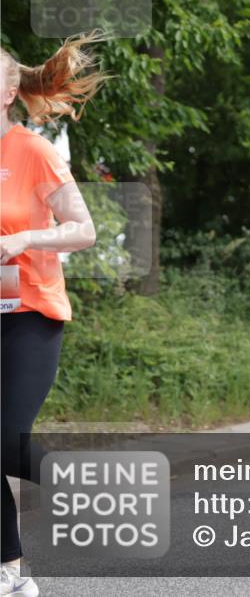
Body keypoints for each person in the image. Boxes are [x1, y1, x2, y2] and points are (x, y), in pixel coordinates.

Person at [1, 34, 104, 597]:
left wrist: (26, 239)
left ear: (10, 91)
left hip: (31, 311)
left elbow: (83, 230)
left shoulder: (32, 150)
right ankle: (9, 574)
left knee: (5, 437)